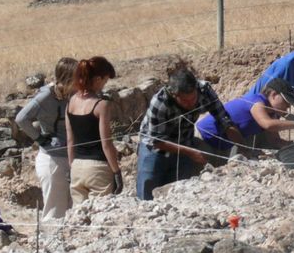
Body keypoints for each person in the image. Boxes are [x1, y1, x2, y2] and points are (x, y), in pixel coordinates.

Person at [136, 63, 241, 201]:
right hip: (154, 148)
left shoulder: (204, 90)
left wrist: (241, 147)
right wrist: (192, 152)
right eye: (185, 101)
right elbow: (157, 141)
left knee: (179, 188)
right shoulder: (160, 102)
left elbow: (223, 119)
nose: (191, 103)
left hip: (184, 142)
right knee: (148, 187)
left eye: (193, 98)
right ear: (174, 95)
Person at [15, 57, 78, 220]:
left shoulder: (72, 94)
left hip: (71, 158)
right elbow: (21, 118)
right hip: (53, 160)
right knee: (55, 213)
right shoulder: (45, 97)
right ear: (67, 78)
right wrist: (41, 139)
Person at [65, 56, 123, 205]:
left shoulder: (71, 102)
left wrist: (72, 166)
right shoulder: (101, 105)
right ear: (98, 79)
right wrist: (117, 172)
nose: (104, 85)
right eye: (105, 80)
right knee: (100, 215)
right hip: (98, 169)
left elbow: (70, 140)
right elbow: (106, 144)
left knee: (79, 218)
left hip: (77, 166)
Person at [196, 79, 294, 158]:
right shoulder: (257, 101)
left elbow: (274, 140)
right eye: (286, 102)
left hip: (220, 144)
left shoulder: (271, 114)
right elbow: (268, 125)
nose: (287, 107)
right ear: (274, 95)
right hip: (203, 137)